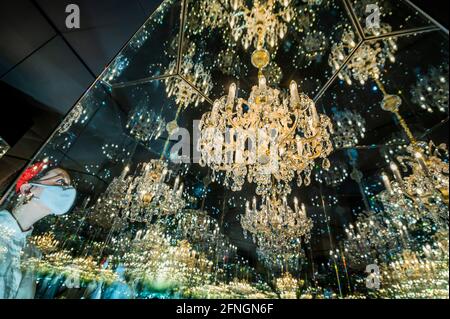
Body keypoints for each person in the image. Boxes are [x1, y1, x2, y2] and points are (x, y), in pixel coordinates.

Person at [0, 165, 77, 299]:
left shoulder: (34, 253)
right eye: (60, 181)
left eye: (68, 186)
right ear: (28, 188)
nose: (67, 191)